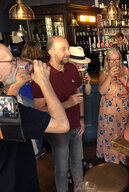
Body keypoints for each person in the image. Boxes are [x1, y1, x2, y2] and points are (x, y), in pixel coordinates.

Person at [0, 43, 69, 192]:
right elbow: (62, 124)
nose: (17, 65)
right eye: (11, 61)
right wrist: (44, 82)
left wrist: (16, 85)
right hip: (18, 185)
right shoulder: (10, 112)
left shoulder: (5, 107)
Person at [32, 36, 84, 192]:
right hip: (57, 132)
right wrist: (67, 103)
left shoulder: (72, 69)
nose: (68, 52)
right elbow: (39, 109)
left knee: (77, 162)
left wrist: (82, 118)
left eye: (68, 48)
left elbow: (79, 97)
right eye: (64, 49)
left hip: (76, 126)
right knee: (61, 169)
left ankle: (79, 189)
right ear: (50, 52)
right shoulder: (42, 75)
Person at [97, 47, 129, 164]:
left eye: (117, 59)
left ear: (120, 59)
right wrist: (109, 77)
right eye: (111, 60)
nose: (114, 63)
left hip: (125, 112)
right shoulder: (103, 73)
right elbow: (102, 91)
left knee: (123, 135)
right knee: (110, 136)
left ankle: (123, 157)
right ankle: (112, 159)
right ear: (107, 61)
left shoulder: (126, 70)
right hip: (109, 114)